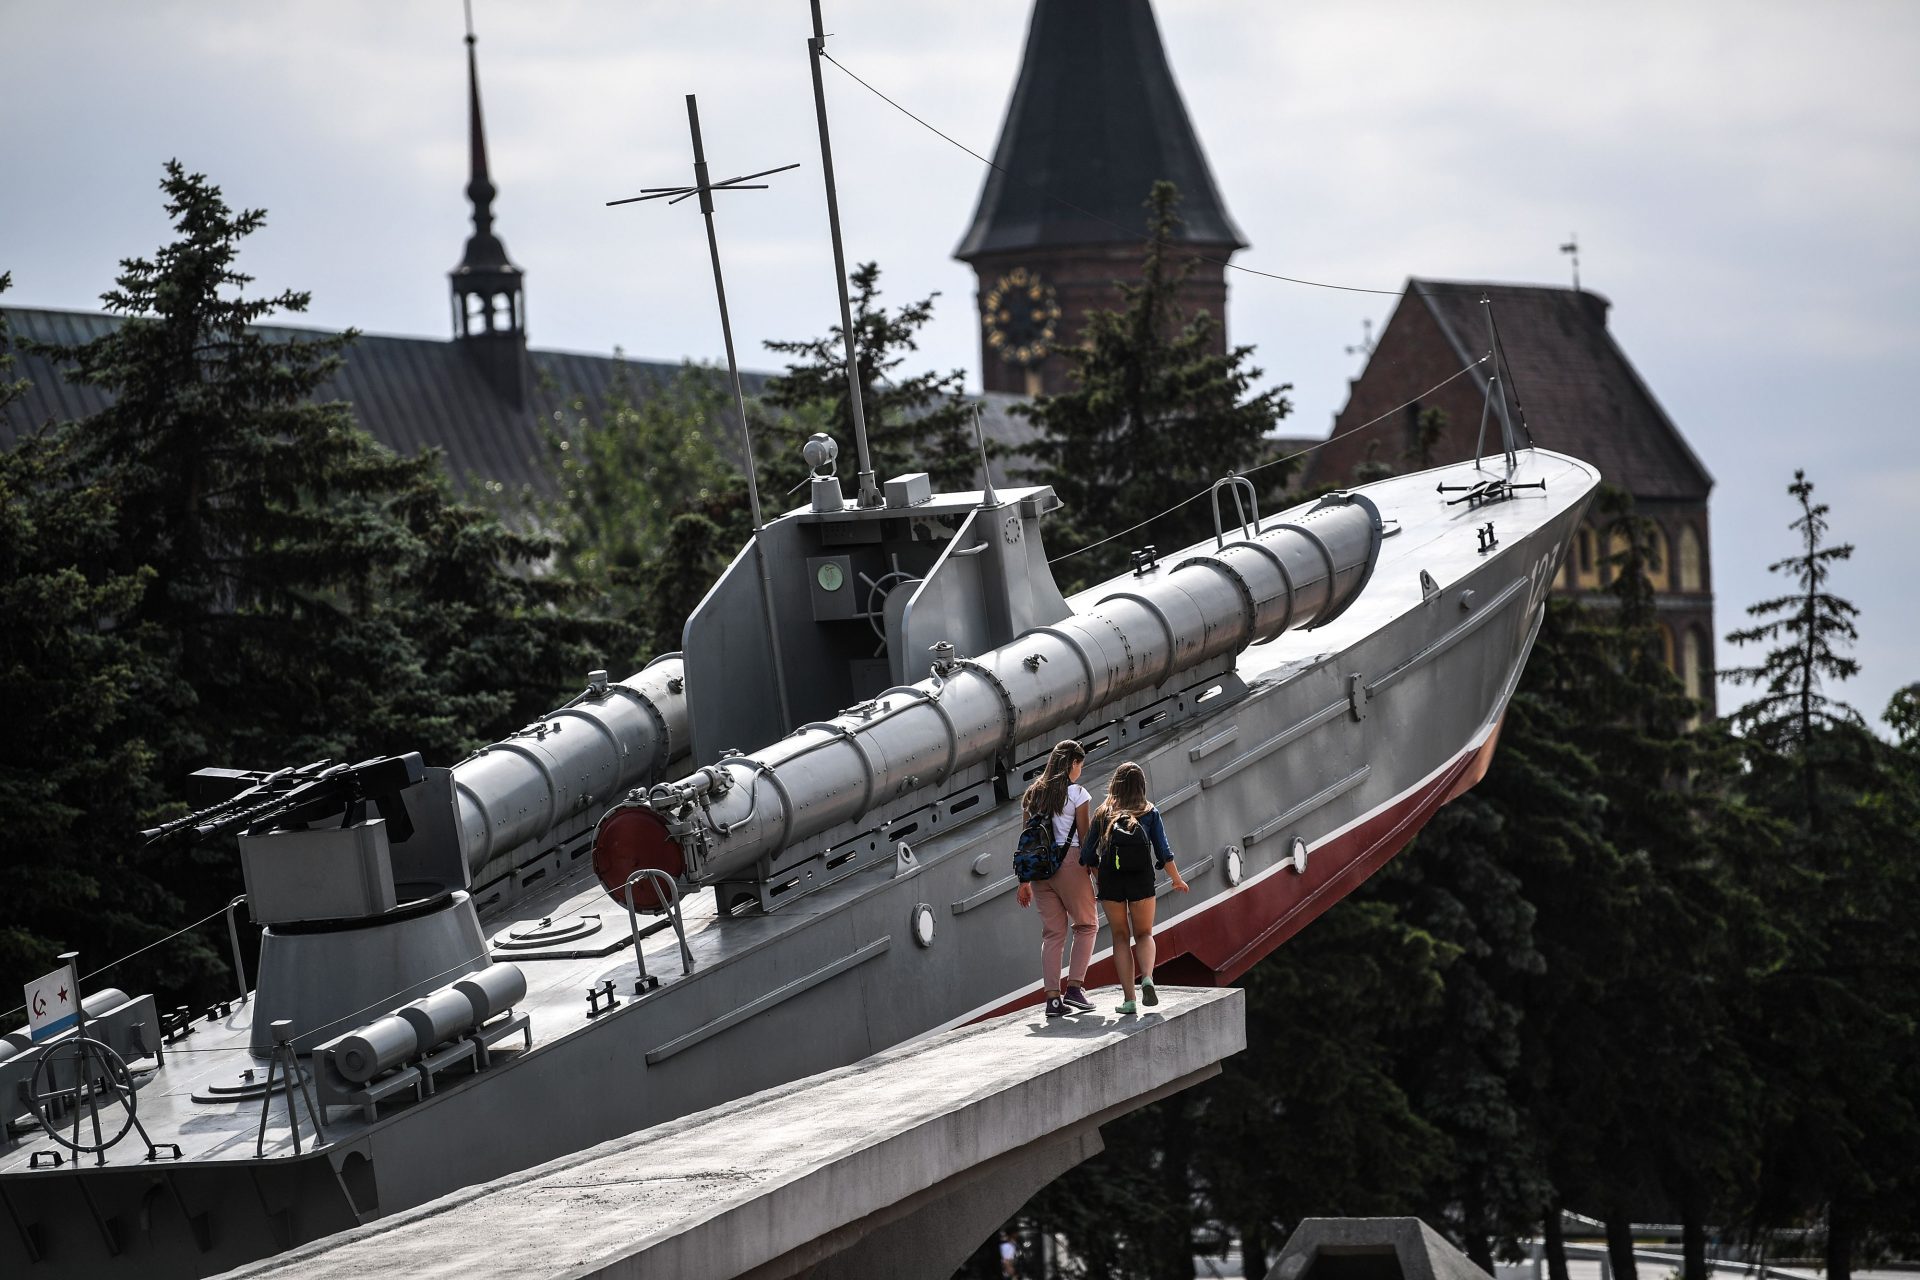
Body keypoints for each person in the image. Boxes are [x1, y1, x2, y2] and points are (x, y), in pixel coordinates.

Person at [1083, 761, 1188, 1014]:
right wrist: (1176, 879)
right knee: (1144, 934)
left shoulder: (1102, 812)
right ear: (1141, 786)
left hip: (1111, 882)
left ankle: (1129, 1000)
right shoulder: (1149, 812)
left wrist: (1100, 876)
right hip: (1141, 880)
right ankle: (1148, 978)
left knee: (1120, 937)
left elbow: (1087, 854)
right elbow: (1164, 853)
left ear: (1115, 785)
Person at [1014, 739, 1098, 1018]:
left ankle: (1052, 999)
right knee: (1087, 924)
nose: (1080, 771)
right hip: (1070, 863)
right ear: (1073, 763)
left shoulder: (1032, 794)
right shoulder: (1077, 793)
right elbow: (1085, 838)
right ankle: (1074, 988)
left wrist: (1024, 882)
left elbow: (1027, 839)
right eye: (1080, 765)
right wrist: (1096, 872)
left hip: (1039, 870)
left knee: (1053, 934)